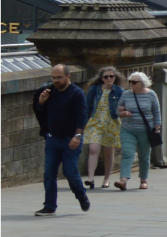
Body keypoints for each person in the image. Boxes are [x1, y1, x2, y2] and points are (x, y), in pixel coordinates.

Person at [34, 63, 91, 215]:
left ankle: (81, 196)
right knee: (49, 173)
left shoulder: (76, 93)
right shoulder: (50, 91)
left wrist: (78, 136)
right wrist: (41, 101)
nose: (56, 81)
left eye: (59, 77)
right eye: (53, 78)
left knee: (70, 172)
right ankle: (50, 206)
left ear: (68, 77)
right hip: (53, 139)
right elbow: (41, 112)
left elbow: (82, 116)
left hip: (70, 139)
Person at [114, 70, 161, 191]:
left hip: (145, 130)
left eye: (134, 82)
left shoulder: (151, 95)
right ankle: (123, 180)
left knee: (144, 156)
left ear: (142, 83)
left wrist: (157, 127)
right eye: (130, 82)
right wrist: (123, 113)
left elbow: (156, 111)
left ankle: (143, 180)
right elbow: (117, 111)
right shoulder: (126, 94)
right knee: (127, 154)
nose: (131, 84)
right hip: (128, 129)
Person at [80, 66, 123, 190]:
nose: (109, 78)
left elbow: (123, 107)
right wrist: (83, 124)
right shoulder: (94, 89)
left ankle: (106, 178)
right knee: (93, 149)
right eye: (106, 77)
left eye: (111, 76)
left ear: (115, 78)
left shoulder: (119, 91)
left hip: (111, 123)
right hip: (96, 122)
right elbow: (87, 107)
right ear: (102, 79)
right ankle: (90, 178)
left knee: (109, 153)